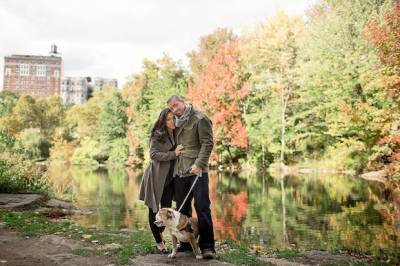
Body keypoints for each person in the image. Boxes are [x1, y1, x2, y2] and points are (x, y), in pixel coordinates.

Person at [167, 95, 216, 259]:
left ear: (183, 102)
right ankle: (186, 245)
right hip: (180, 172)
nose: (175, 109)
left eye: (176, 105)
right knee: (182, 209)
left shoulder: (199, 118)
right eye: (172, 108)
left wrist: (199, 164)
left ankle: (208, 247)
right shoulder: (176, 122)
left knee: (202, 208)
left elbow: (208, 143)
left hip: (197, 171)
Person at [139, 108, 184, 253]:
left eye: (173, 118)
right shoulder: (157, 135)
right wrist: (173, 154)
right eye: (169, 119)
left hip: (170, 179)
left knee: (166, 210)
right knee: (154, 210)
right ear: (163, 121)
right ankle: (159, 243)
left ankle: (159, 233)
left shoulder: (176, 132)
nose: (172, 121)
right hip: (156, 178)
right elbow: (153, 154)